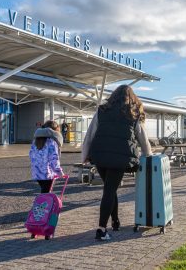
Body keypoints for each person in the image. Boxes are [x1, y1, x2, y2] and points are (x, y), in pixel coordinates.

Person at [82, 85, 152, 241]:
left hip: (100, 156)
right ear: (131, 97)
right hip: (120, 158)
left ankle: (115, 221)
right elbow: (143, 138)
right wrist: (149, 155)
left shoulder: (102, 110)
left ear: (113, 96)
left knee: (110, 188)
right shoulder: (133, 113)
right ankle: (101, 230)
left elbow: (90, 133)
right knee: (109, 190)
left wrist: (85, 155)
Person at [29, 120, 65, 193]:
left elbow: (31, 155)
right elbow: (54, 159)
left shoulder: (36, 141)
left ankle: (43, 203)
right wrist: (59, 172)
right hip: (47, 173)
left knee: (44, 191)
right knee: (46, 193)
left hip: (36, 172)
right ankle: (42, 204)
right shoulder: (51, 142)